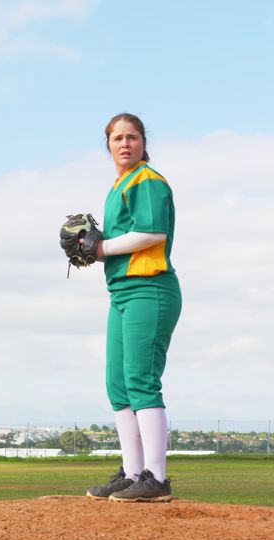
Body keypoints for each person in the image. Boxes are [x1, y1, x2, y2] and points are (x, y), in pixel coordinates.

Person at [83, 113, 181, 502]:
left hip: (150, 288)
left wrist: (100, 246)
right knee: (118, 386)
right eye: (117, 138)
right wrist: (95, 246)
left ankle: (156, 479)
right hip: (122, 292)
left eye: (133, 137)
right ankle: (132, 472)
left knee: (141, 381)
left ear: (143, 143)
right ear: (107, 145)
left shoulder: (148, 180)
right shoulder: (118, 186)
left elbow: (153, 232)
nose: (125, 144)